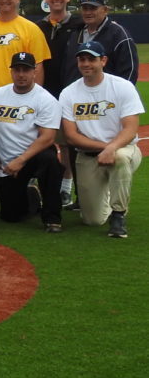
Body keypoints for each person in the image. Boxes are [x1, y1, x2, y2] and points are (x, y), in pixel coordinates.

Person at [59, 41, 143, 238]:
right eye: (82, 59)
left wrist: (112, 148)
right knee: (93, 220)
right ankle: (106, 193)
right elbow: (71, 136)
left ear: (103, 61)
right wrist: (105, 147)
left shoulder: (122, 87)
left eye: (91, 59)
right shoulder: (69, 92)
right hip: (88, 156)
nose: (86, 63)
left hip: (124, 148)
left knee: (120, 159)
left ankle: (118, 214)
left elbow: (130, 128)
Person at [0, 52, 65, 230]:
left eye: (26, 70)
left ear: (34, 72)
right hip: (6, 163)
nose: (21, 74)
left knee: (50, 161)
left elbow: (48, 137)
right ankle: (32, 196)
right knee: (11, 216)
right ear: (11, 72)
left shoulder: (46, 99)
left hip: (33, 156)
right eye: (17, 70)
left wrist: (21, 160)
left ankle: (52, 217)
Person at [36, 0, 85, 206]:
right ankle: (37, 185)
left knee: (66, 143)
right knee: (39, 141)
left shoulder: (79, 25)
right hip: (43, 93)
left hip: (69, 92)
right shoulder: (38, 27)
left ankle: (66, 188)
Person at [62, 0, 137, 86]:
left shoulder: (119, 34)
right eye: (85, 8)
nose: (88, 12)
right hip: (78, 96)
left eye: (93, 8)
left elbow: (129, 72)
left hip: (107, 97)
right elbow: (67, 68)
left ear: (105, 10)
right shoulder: (75, 33)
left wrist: (119, 96)